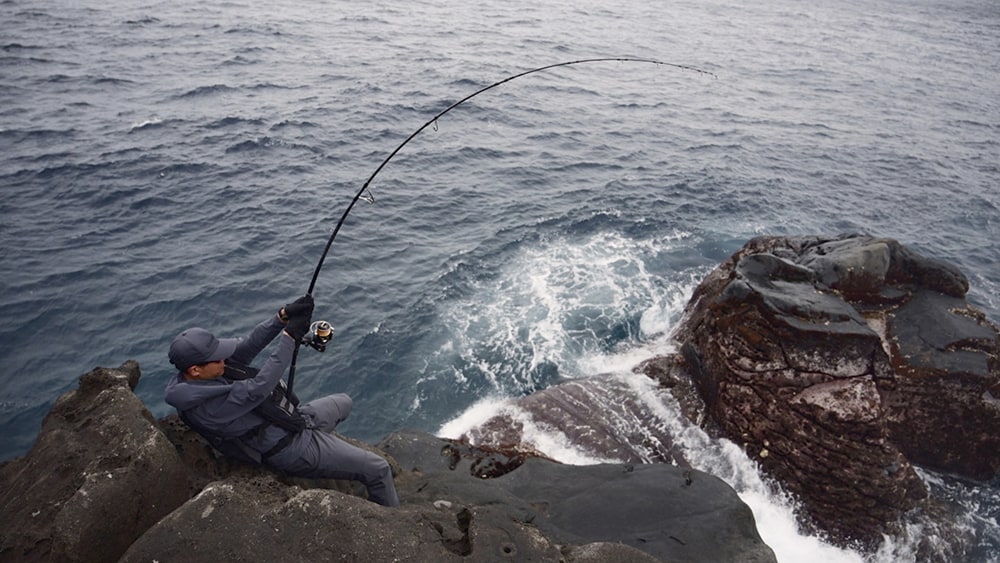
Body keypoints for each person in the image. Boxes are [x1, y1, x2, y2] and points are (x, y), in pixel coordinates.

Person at [164, 294, 399, 507]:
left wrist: (282, 317)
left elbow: (248, 345)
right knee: (378, 469)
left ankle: (330, 455)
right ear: (195, 370)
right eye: (217, 358)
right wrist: (289, 337)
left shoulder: (210, 371)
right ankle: (392, 525)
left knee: (344, 402)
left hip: (294, 421)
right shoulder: (206, 407)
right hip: (290, 449)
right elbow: (260, 387)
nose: (224, 359)